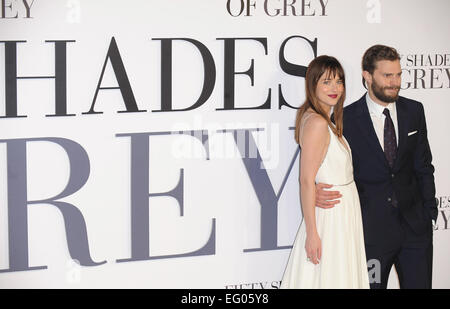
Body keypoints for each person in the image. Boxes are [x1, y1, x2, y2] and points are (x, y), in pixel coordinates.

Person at [315, 45, 437, 289]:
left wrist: (429, 212)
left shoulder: (414, 110)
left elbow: (423, 166)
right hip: (369, 232)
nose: (395, 82)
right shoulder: (344, 119)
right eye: (387, 76)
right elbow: (327, 164)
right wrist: (315, 189)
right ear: (367, 76)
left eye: (398, 75)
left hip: (415, 230)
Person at [280, 55, 370, 289]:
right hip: (332, 219)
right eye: (327, 82)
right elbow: (306, 180)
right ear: (313, 84)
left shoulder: (323, 119)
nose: (335, 88)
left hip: (342, 213)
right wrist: (312, 233)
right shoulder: (318, 124)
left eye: (339, 81)